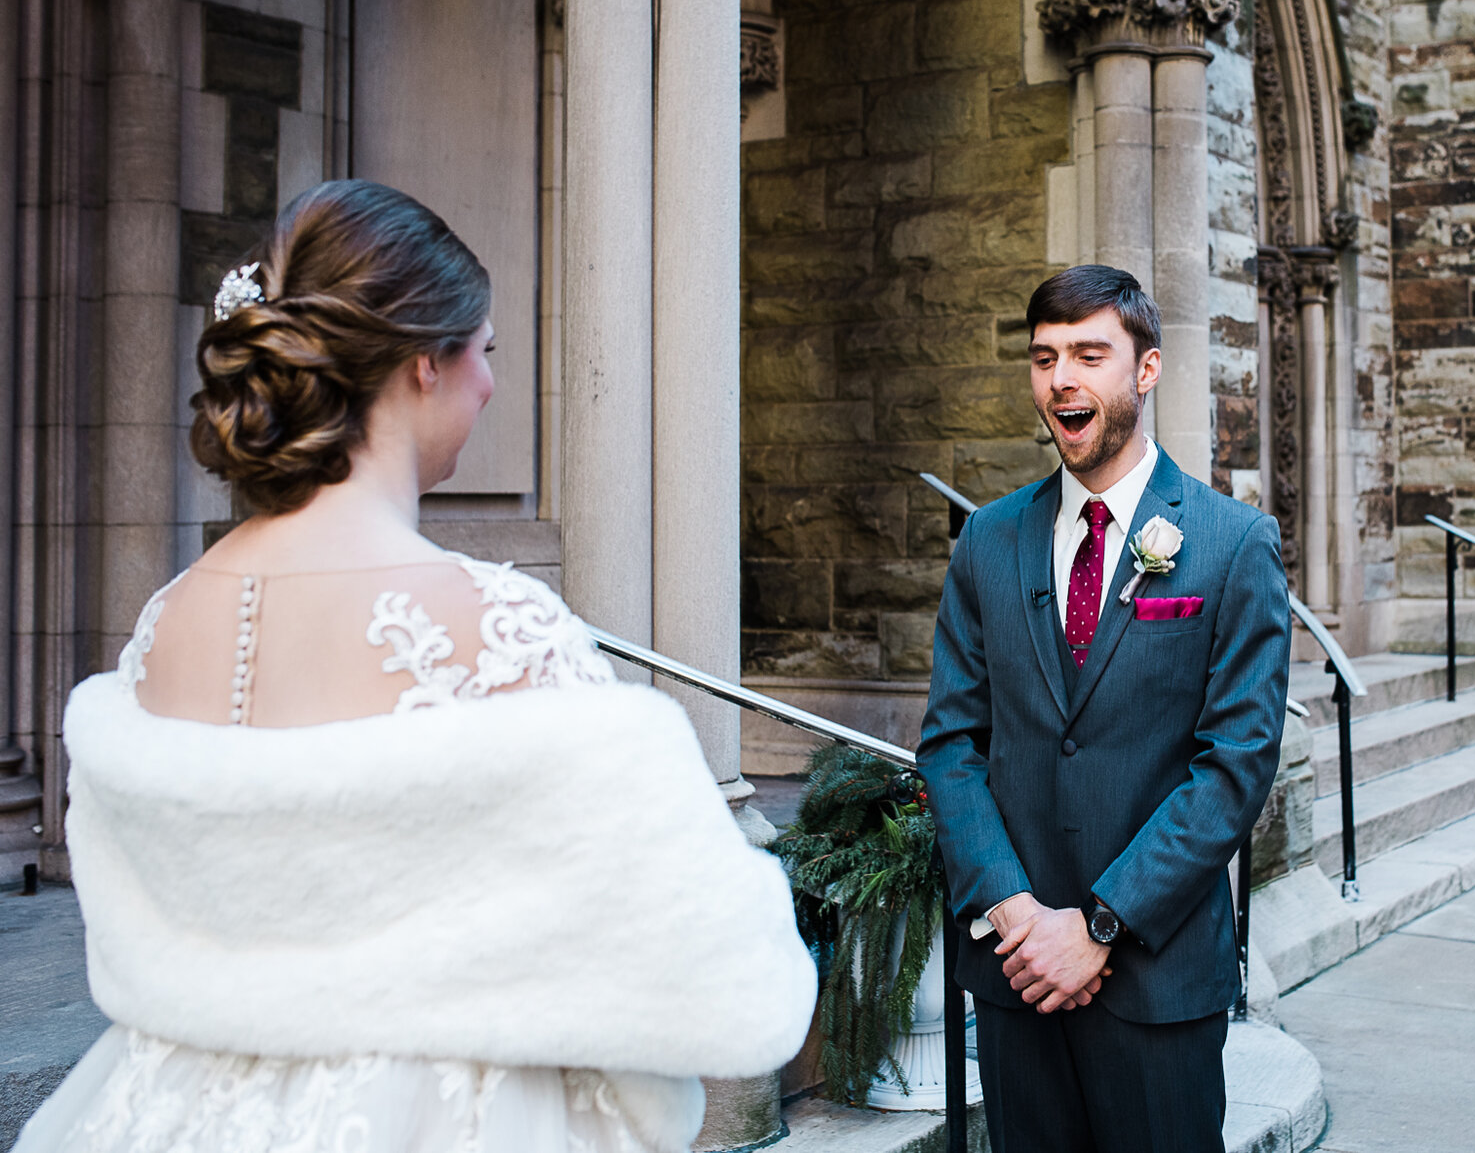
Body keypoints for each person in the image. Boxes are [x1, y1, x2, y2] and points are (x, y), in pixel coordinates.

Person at [12, 180, 815, 1153]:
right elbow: (715, 964)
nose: (489, 384)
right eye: (484, 354)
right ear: (422, 367)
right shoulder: (503, 623)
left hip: (167, 1108)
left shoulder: (163, 626)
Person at [918, 264, 1289, 1153]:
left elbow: (1235, 765)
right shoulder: (989, 539)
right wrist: (1017, 916)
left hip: (1156, 984)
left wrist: (1098, 927)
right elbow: (951, 743)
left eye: (1090, 354)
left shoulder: (1231, 545)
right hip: (1017, 979)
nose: (1062, 381)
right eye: (1045, 359)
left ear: (1147, 370)